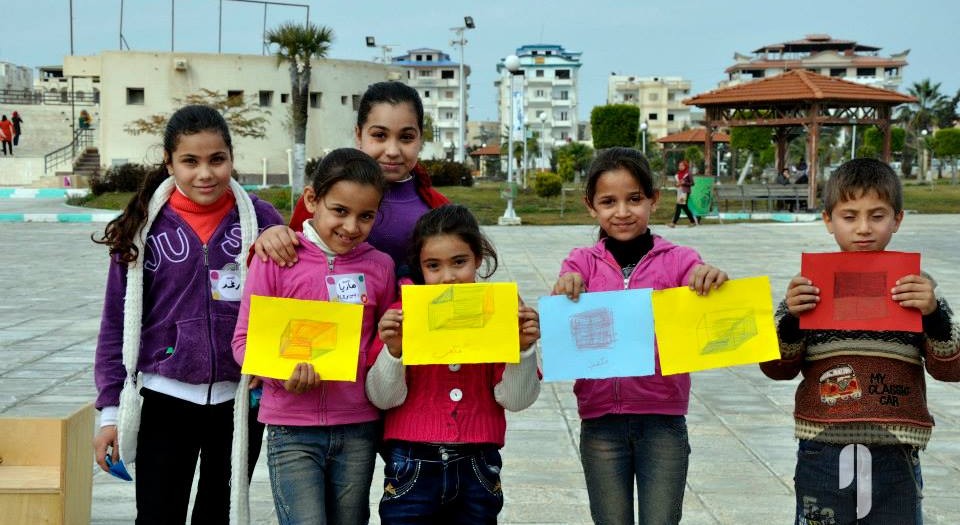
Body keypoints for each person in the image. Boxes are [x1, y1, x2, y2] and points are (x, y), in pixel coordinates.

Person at [91, 104, 284, 525]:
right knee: (158, 515)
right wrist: (109, 412)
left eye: (217, 159)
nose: (205, 173)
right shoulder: (141, 226)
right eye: (190, 161)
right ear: (169, 162)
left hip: (240, 402)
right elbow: (115, 324)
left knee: (218, 515)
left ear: (231, 157)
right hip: (164, 399)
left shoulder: (263, 220)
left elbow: (287, 299)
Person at [760, 158, 960, 524]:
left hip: (895, 449)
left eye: (877, 216)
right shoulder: (808, 288)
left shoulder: (917, 287)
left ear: (897, 219)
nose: (864, 228)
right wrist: (791, 320)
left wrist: (933, 314)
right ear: (828, 220)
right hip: (822, 445)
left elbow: (952, 368)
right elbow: (776, 367)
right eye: (849, 216)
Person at [551, 147, 728, 525]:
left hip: (663, 421)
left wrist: (707, 277)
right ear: (591, 207)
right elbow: (563, 301)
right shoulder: (581, 262)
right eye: (608, 202)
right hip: (600, 423)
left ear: (654, 199)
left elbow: (699, 282)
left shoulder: (680, 260)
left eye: (634, 199)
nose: (622, 211)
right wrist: (567, 285)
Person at [232, 148, 397, 525]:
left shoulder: (380, 266)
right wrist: (282, 374)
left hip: (358, 428)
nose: (351, 226)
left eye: (366, 216)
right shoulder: (275, 259)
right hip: (291, 429)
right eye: (340, 210)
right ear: (311, 200)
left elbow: (381, 348)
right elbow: (243, 342)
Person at [366, 204, 541, 524]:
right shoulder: (402, 314)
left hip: (479, 464)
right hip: (411, 462)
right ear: (420, 267)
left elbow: (516, 399)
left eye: (459, 262)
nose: (448, 276)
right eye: (433, 266)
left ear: (478, 258)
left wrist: (523, 349)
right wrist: (394, 351)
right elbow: (383, 398)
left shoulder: (501, 313)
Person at [254, 81, 449, 276]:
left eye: (406, 137)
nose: (392, 151)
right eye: (380, 135)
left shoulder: (439, 209)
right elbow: (285, 261)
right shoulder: (323, 196)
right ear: (358, 134)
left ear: (420, 138)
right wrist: (273, 237)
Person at [667, 159, 697, 227]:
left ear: (685, 166)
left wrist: (684, 183)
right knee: (684, 207)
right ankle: (692, 222)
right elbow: (676, 183)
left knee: (679, 206)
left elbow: (692, 183)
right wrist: (676, 184)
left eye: (682, 165)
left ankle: (673, 223)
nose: (680, 167)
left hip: (685, 192)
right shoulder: (678, 174)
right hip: (679, 192)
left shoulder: (688, 173)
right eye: (679, 165)